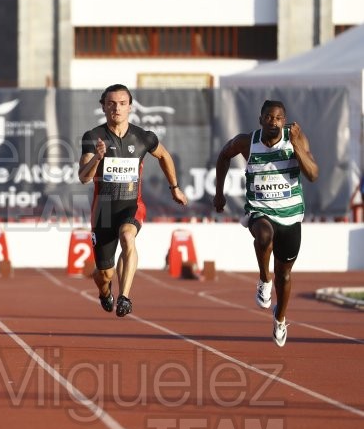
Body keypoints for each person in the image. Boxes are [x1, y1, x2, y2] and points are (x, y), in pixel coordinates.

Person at [213, 100, 318, 347]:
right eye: (269, 117)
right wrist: (219, 192)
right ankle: (263, 280)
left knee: (285, 274)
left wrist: (296, 147)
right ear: (260, 119)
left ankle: (280, 317)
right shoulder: (247, 141)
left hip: (291, 216)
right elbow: (223, 156)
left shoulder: (296, 139)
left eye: (279, 118)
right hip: (260, 210)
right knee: (263, 235)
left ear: (285, 120)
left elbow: (313, 174)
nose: (274, 122)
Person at [78, 84, 188, 317]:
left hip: (131, 204)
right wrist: (97, 157)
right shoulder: (93, 137)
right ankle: (104, 291)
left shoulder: (143, 137)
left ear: (130, 107)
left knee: (128, 237)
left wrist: (175, 188)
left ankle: (124, 297)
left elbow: (164, 156)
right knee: (103, 274)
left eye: (121, 104)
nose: (116, 108)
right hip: (103, 211)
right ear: (103, 107)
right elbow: (84, 178)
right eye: (111, 104)